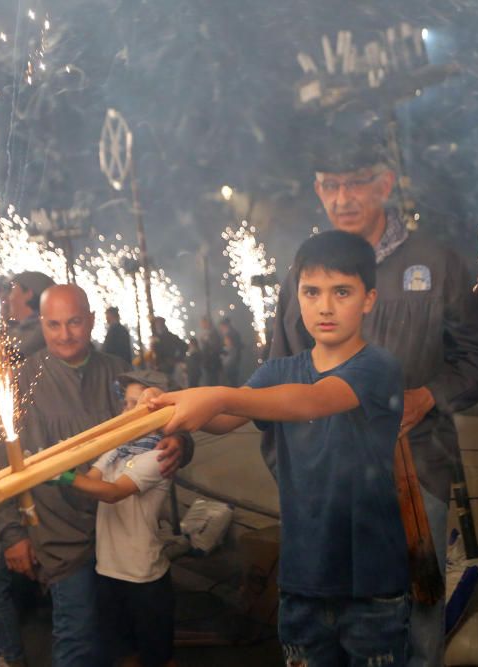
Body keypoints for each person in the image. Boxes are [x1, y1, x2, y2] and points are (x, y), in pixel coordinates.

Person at [268, 118, 478, 666]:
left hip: (417, 475)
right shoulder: (305, 269)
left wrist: (429, 396)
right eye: (330, 184)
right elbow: (276, 375)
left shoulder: (435, 264)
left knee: (418, 614)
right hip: (328, 486)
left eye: (356, 182)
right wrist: (291, 470)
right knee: (334, 619)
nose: (343, 197)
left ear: (385, 184)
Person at [149, 231, 410, 665]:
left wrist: (220, 395)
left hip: (372, 585)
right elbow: (222, 419)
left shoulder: (378, 367)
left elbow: (312, 401)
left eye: (341, 292)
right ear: (297, 298)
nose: (324, 306)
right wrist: (162, 404)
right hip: (301, 581)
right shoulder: (279, 370)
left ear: (368, 299)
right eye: (311, 292)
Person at [0, 284, 192, 667]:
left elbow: (170, 418)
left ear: (91, 320)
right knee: (79, 639)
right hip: (60, 537)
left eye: (75, 322)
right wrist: (11, 533)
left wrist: (180, 442)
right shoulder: (21, 382)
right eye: (54, 324)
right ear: (41, 325)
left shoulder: (119, 374)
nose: (65, 335)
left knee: (129, 638)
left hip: (124, 534)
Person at [60, 369, 177, 667]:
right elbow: (93, 481)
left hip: (143, 572)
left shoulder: (159, 456)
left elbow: (112, 492)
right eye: (126, 403)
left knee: (156, 656)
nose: (127, 410)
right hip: (109, 567)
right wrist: (70, 467)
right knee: (123, 652)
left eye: (137, 403)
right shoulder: (116, 448)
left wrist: (61, 474)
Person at [6, 271, 55, 359]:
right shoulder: (24, 329)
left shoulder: (40, 332)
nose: (9, 298)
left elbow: (9, 358)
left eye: (12, 290)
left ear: (28, 294)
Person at [197, 315, 223, 386]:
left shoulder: (213, 333)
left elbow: (214, 348)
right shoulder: (208, 333)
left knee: (211, 383)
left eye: (203, 323)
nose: (201, 325)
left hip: (212, 364)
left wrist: (205, 342)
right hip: (208, 363)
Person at [219, 316, 243, 386]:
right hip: (232, 361)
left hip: (231, 363)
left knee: (231, 382)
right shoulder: (232, 333)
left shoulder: (231, 334)